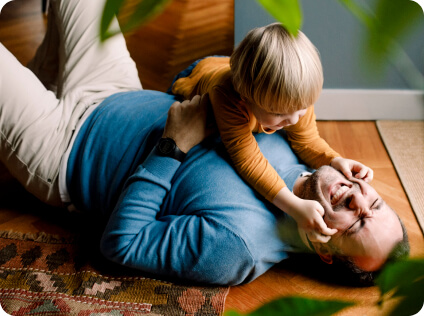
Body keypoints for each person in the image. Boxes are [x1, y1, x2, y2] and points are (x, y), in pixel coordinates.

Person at [0, 0, 408, 286]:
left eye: (356, 223)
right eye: (374, 203)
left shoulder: (238, 247)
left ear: (325, 249)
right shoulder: (300, 142)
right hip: (113, 87)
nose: (357, 199)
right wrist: (334, 156)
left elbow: (121, 244)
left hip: (63, 149)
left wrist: (172, 146)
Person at [170, 23, 373, 244]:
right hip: (201, 73)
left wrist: (334, 159)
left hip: (233, 66)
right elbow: (248, 160)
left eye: (302, 109)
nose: (293, 120)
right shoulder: (227, 97)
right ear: (245, 98)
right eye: (278, 113)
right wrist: (294, 206)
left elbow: (307, 140)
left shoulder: (294, 98)